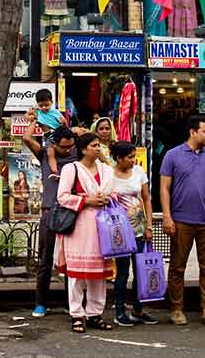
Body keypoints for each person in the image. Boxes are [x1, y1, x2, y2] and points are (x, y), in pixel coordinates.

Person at [160, 114, 205, 327]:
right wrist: (167, 217)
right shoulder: (172, 155)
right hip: (180, 220)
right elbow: (164, 189)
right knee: (177, 267)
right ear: (192, 132)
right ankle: (176, 309)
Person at [55, 132, 115, 333]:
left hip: (102, 226)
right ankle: (77, 314)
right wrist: (87, 201)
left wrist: (108, 199)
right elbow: (62, 197)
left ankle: (95, 313)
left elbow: (114, 193)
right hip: (80, 225)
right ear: (83, 149)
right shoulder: (71, 169)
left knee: (98, 275)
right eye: (94, 145)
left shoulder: (107, 170)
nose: (98, 148)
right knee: (77, 274)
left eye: (99, 145)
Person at [22, 125, 77, 317]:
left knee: (72, 261)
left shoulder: (77, 154)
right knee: (45, 259)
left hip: (72, 211)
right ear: (55, 143)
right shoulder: (45, 153)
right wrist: (34, 119)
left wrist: (79, 130)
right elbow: (27, 138)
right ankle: (40, 303)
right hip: (50, 211)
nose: (69, 150)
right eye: (64, 147)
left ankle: (72, 303)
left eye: (71, 146)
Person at [109, 141, 156, 326]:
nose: (133, 160)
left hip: (139, 228)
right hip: (119, 231)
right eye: (129, 157)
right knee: (122, 271)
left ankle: (138, 310)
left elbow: (146, 199)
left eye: (134, 156)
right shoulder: (109, 175)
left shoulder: (139, 172)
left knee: (140, 270)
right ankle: (119, 310)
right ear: (118, 158)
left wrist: (149, 226)